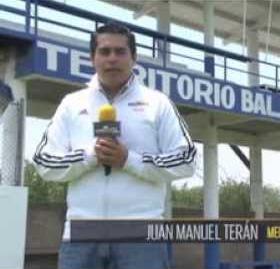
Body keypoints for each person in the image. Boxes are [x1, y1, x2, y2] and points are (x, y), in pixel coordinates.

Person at [33, 22, 196, 269]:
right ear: (92, 57)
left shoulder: (157, 103)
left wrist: (128, 160)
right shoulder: (71, 104)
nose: (112, 59)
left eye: (120, 52)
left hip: (142, 237)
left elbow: (186, 160)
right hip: (81, 236)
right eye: (105, 51)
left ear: (134, 58)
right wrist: (90, 156)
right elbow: (44, 161)